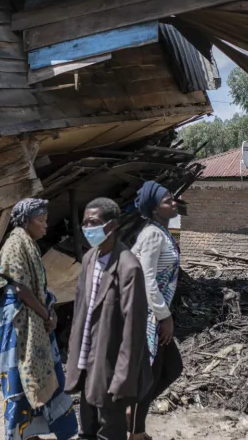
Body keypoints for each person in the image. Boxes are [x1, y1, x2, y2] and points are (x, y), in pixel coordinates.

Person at [0, 198, 78, 440]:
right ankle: (19, 433)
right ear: (27, 221)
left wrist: (50, 312)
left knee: (40, 376)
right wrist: (45, 313)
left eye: (46, 221)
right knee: (20, 378)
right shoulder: (15, 244)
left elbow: (36, 288)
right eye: (41, 220)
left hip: (33, 320)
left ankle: (30, 433)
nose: (45, 226)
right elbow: (20, 288)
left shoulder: (28, 244)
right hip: (18, 326)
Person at [66, 198, 152, 440]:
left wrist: (122, 380)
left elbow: (133, 331)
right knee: (87, 430)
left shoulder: (128, 267)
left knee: (110, 431)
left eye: (93, 223)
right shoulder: (89, 259)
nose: (87, 229)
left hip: (111, 367)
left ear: (112, 226)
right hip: (87, 364)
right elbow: (80, 311)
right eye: (84, 223)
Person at [129, 182, 184, 440]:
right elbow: (147, 279)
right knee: (152, 374)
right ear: (154, 209)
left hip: (155, 312)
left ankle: (132, 416)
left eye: (172, 199)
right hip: (150, 315)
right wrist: (165, 316)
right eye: (167, 201)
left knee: (172, 368)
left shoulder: (162, 231)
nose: (173, 203)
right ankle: (136, 432)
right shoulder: (152, 234)